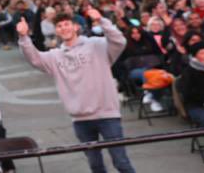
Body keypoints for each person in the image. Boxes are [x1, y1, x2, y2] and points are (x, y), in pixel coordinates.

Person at [17, 10, 135, 173]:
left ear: (76, 27)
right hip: (80, 120)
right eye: (59, 26)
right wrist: (24, 38)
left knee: (121, 163)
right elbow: (34, 59)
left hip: (107, 115)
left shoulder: (97, 45)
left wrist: (102, 20)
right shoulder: (55, 56)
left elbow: (119, 41)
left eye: (67, 24)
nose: (63, 28)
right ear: (56, 31)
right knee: (96, 166)